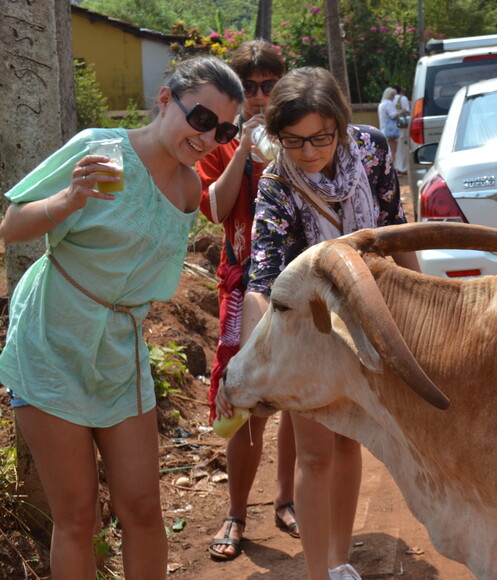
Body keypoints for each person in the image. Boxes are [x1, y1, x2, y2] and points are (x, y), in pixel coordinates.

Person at [0, 56, 243, 579]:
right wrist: (67, 201)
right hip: (52, 338)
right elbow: (12, 224)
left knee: (142, 509)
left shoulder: (188, 190)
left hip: (119, 351)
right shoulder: (99, 149)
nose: (208, 137)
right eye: (201, 119)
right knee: (77, 517)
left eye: (223, 129)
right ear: (165, 100)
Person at [215, 66, 419, 580]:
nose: (308, 152)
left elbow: (396, 236)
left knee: (351, 440)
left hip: (365, 315)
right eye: (293, 141)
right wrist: (262, 359)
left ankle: (341, 563)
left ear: (342, 127)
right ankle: (316, 571)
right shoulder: (277, 183)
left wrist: (415, 314)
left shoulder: (371, 151)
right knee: (315, 452)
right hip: (306, 329)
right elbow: (262, 279)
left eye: (320, 138)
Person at [196, 39, 298, 562]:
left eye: (268, 83)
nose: (260, 95)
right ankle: (236, 512)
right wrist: (240, 149)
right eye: (250, 86)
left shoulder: (301, 131)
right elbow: (213, 209)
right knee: (248, 399)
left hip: (300, 279)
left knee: (302, 395)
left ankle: (287, 499)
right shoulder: (220, 141)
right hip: (243, 285)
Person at [377, 86, 400, 161]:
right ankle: (392, 170)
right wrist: (402, 112)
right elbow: (393, 116)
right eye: (393, 95)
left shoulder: (381, 104)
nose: (394, 97)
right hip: (390, 131)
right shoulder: (389, 103)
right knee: (393, 151)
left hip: (383, 130)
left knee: (387, 152)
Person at [392, 86, 410, 175]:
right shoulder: (403, 98)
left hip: (394, 126)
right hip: (403, 125)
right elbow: (407, 111)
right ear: (402, 91)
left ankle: (397, 166)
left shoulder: (391, 99)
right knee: (403, 147)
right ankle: (403, 167)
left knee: (396, 148)